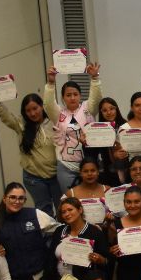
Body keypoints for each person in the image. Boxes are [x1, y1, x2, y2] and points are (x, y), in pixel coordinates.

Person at [0, 90, 60, 215]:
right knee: (43, 211)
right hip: (34, 177)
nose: (32, 113)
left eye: (35, 108)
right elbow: (6, 117)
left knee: (62, 208)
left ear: (42, 106)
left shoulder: (54, 121)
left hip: (56, 175)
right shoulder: (21, 125)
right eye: (28, 110)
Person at [0, 182, 58, 280]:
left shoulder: (35, 214)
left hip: (39, 277)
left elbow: (58, 230)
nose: (17, 201)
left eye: (21, 198)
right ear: (4, 198)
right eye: (13, 197)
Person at [43, 62, 103, 191]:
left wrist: (95, 78)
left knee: (91, 198)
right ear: (63, 98)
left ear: (80, 95)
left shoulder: (88, 108)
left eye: (75, 94)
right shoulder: (58, 113)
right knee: (70, 199)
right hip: (67, 166)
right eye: (68, 95)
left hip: (89, 166)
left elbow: (97, 98)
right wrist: (51, 83)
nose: (72, 98)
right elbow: (48, 104)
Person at [48, 196, 111, 280]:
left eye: (70, 210)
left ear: (80, 210)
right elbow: (50, 258)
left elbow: (107, 260)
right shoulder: (59, 231)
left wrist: (100, 259)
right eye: (63, 212)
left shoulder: (94, 232)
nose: (67, 214)